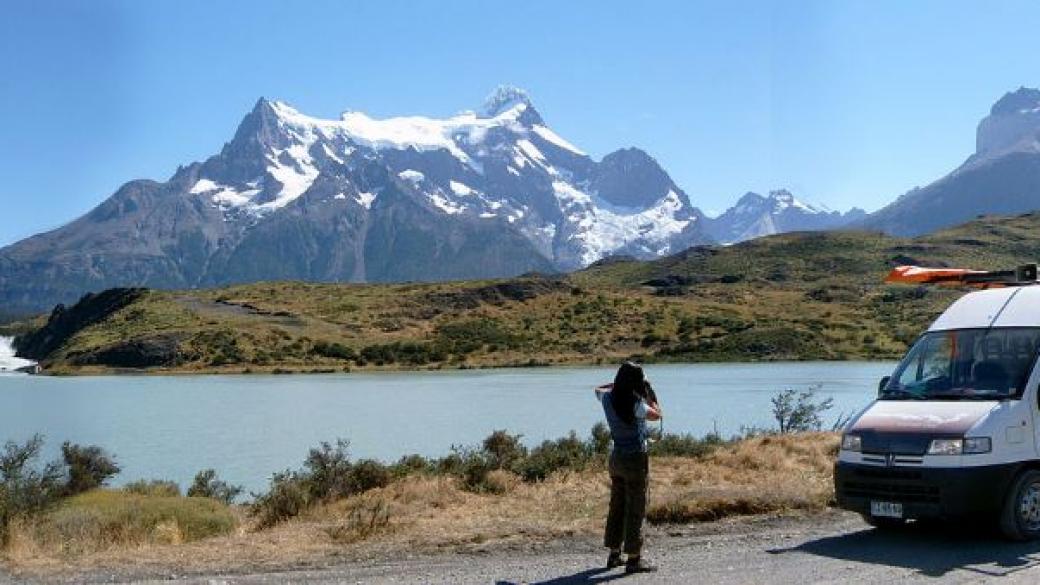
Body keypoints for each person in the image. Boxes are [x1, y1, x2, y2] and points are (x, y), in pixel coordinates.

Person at [594, 361, 661, 573]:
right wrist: (648, 389)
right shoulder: (636, 405)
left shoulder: (607, 399)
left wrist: (618, 384)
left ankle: (614, 554)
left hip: (616, 457)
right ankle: (634, 559)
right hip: (635, 459)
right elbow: (657, 414)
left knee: (617, 506)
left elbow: (598, 389)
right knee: (636, 509)